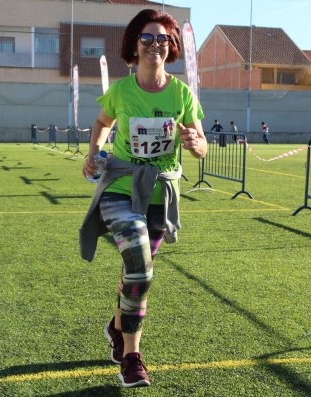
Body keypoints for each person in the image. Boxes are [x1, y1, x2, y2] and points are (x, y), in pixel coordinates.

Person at [79, 8, 206, 388]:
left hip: (160, 196)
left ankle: (117, 327)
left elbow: (201, 146)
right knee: (140, 264)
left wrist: (196, 143)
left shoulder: (182, 94)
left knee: (136, 270)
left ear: (172, 47)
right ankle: (132, 357)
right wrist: (94, 152)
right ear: (135, 46)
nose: (155, 44)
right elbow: (102, 123)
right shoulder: (121, 90)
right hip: (119, 188)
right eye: (148, 38)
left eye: (163, 39)